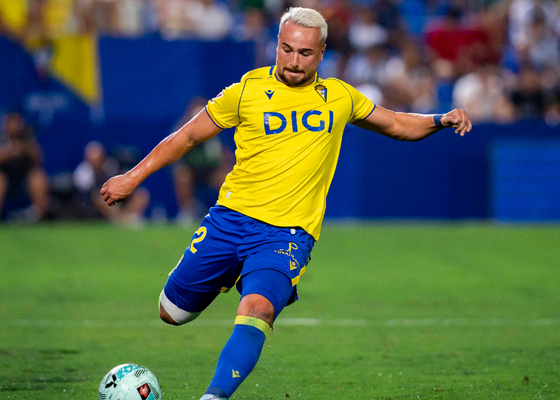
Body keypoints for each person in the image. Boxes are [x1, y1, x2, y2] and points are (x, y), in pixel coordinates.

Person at [100, 7, 472, 399]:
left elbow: (395, 124)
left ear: (322, 53)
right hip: (229, 221)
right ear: (276, 45)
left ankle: (213, 396)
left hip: (286, 235)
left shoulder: (339, 96)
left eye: (305, 53)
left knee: (257, 308)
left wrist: (439, 119)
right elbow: (187, 137)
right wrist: (132, 177)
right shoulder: (246, 90)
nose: (294, 61)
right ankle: (225, 274)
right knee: (171, 313)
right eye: (287, 49)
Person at [0, 110, 49, 221]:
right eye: (11, 123)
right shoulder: (1, 136)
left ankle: (40, 217)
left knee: (38, 177)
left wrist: (23, 148)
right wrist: (10, 152)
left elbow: (39, 158)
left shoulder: (27, 135)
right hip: (5, 175)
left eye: (16, 122)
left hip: (25, 175)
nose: (14, 126)